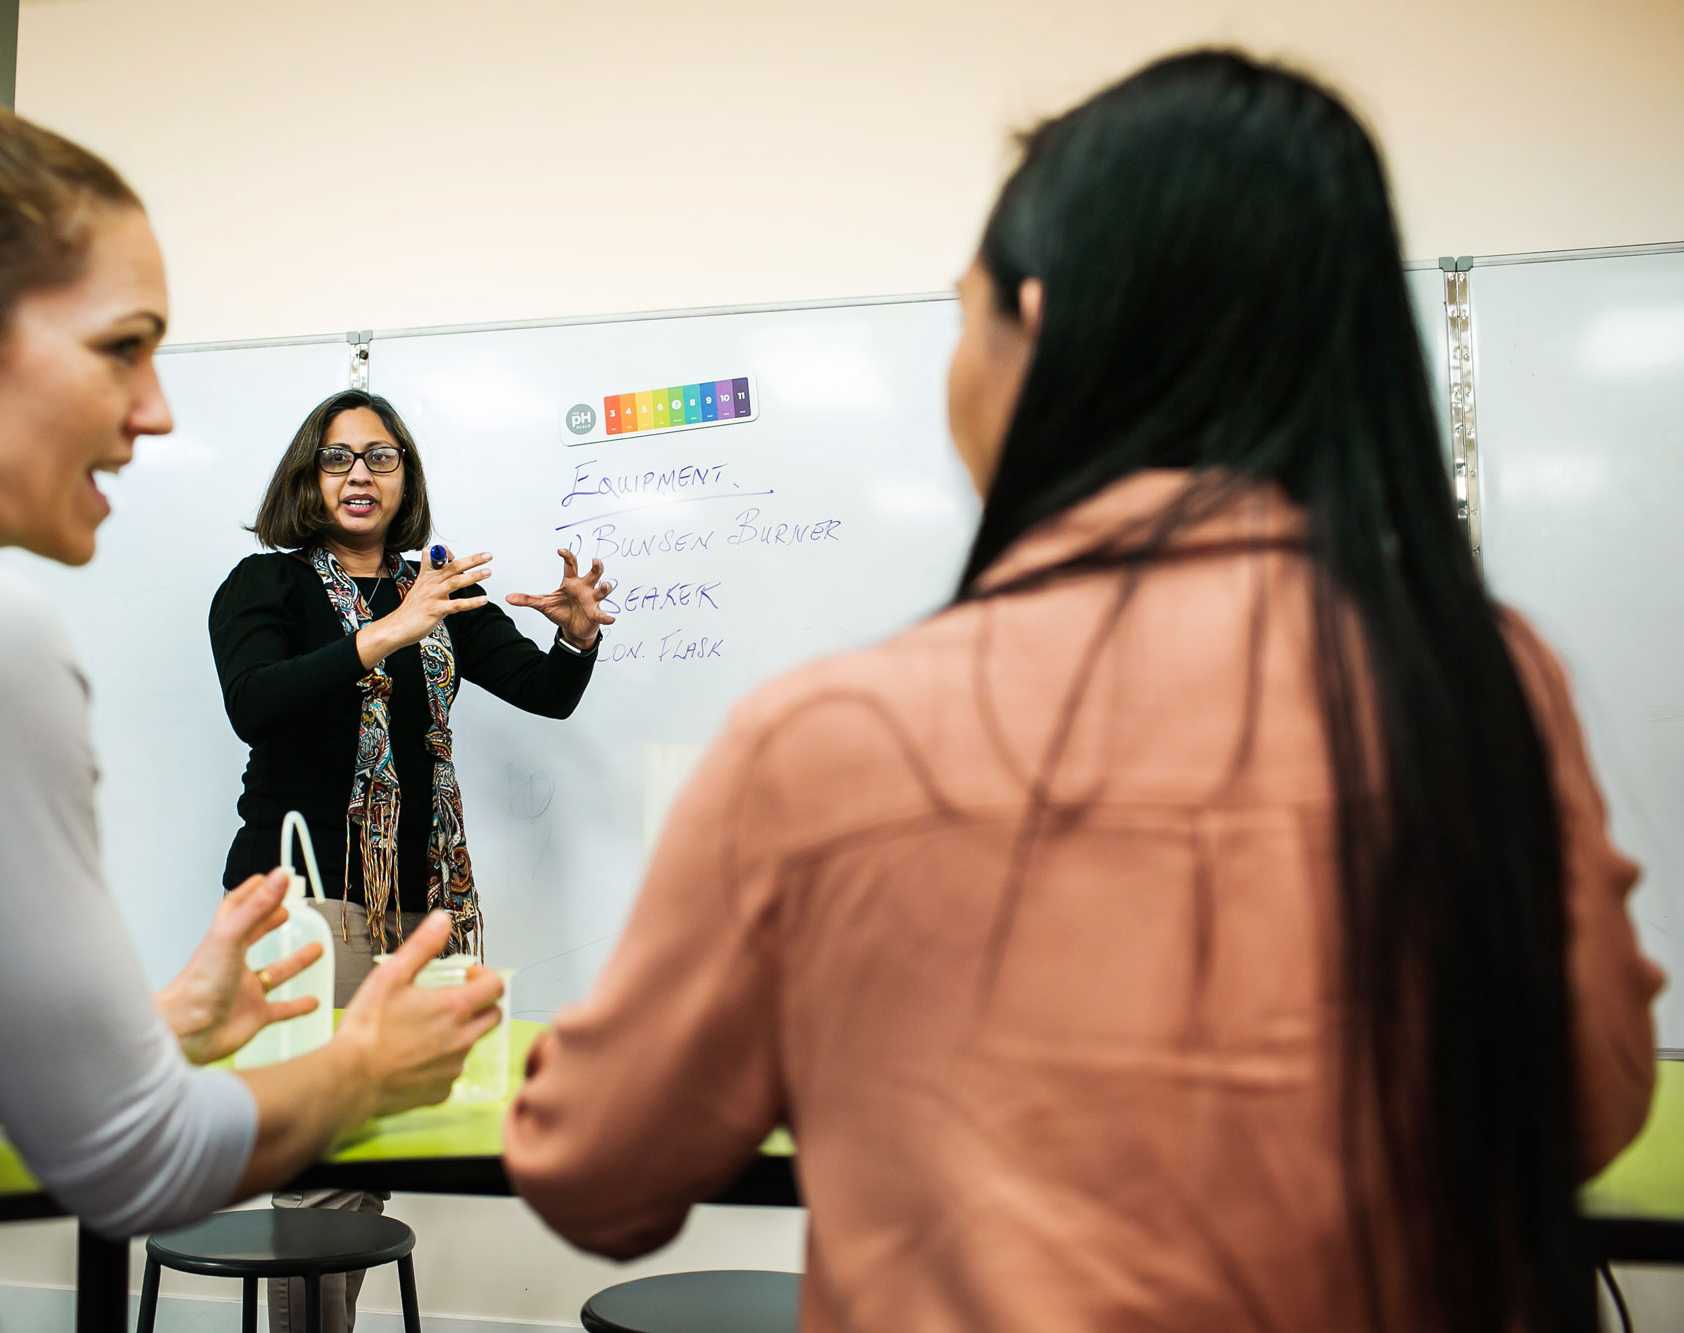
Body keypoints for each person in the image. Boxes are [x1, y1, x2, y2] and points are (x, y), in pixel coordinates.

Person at [505, 50, 1663, 1333]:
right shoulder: (1481, 676)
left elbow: (594, 1172)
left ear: (1041, 325)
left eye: (962, 317)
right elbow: (1596, 1098)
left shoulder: (831, 740)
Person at [0, 50, 502, 1333]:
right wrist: (362, 1071)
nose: (158, 412)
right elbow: (129, 1158)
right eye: (124, 349)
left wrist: (161, 1025)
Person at [209, 389, 612, 1332]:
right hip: (305, 901)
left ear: (405, 478)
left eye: (381, 458)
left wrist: (578, 634)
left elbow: (545, 692)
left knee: (372, 1155)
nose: (360, 475)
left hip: (417, 910)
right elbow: (255, 704)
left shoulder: (436, 589)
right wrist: (382, 634)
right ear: (309, 476)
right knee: (319, 1163)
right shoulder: (262, 585)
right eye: (339, 458)